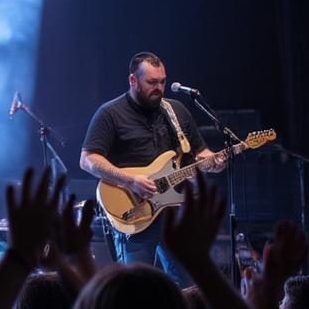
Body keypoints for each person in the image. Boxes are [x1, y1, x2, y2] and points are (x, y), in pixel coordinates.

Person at [79, 51, 224, 284]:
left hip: (175, 212)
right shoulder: (110, 113)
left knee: (187, 285)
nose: (159, 88)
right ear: (133, 80)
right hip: (135, 211)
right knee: (137, 289)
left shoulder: (176, 111)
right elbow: (87, 159)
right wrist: (129, 180)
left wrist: (212, 161)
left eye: (163, 81)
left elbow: (199, 151)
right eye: (151, 82)